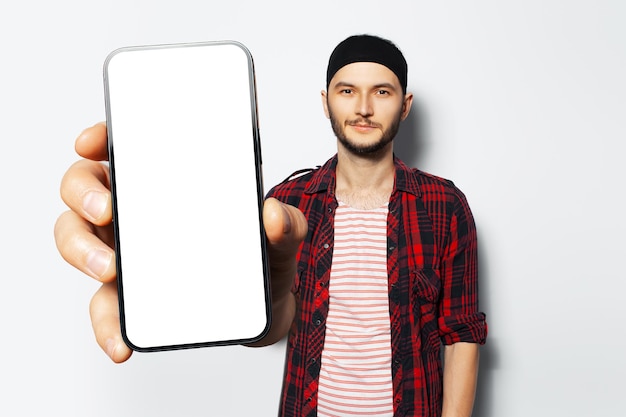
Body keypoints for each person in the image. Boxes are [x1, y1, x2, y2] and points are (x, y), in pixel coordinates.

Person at [55, 34, 487, 417]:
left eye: (382, 92)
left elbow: (462, 331)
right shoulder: (287, 204)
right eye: (347, 90)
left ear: (405, 105)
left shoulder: (444, 206)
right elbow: (268, 324)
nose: (364, 107)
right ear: (325, 102)